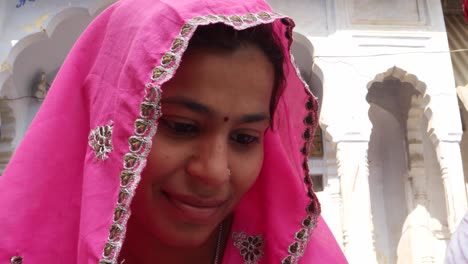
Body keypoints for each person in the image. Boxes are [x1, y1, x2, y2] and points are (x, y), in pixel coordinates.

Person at [0, 0, 348, 263]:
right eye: (182, 127)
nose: (213, 173)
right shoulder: (22, 246)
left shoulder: (289, 252)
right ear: (110, 123)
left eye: (245, 138)